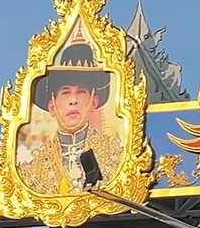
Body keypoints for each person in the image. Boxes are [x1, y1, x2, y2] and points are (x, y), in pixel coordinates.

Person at [18, 42, 124, 194]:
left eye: (81, 92)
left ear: (94, 102)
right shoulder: (34, 167)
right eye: (66, 93)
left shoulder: (115, 156)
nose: (73, 100)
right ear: (52, 107)